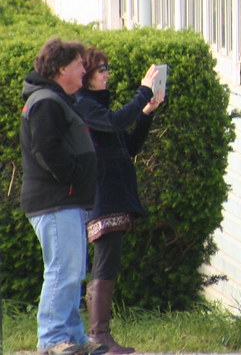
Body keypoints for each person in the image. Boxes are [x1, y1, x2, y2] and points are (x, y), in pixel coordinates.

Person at [20, 38, 109, 355]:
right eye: (79, 65)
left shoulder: (56, 99)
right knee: (62, 270)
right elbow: (47, 150)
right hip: (56, 200)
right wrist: (72, 179)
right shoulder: (46, 101)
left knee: (72, 271)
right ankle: (53, 338)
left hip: (66, 201)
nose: (85, 70)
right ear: (61, 68)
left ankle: (71, 335)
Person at [75, 50, 164, 355]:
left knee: (109, 260)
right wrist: (143, 92)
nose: (107, 73)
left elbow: (129, 146)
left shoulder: (97, 106)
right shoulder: (84, 105)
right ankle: (98, 335)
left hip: (114, 194)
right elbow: (114, 123)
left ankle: (100, 335)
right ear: (86, 76)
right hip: (103, 195)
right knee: (104, 261)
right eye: (102, 69)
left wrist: (147, 111)